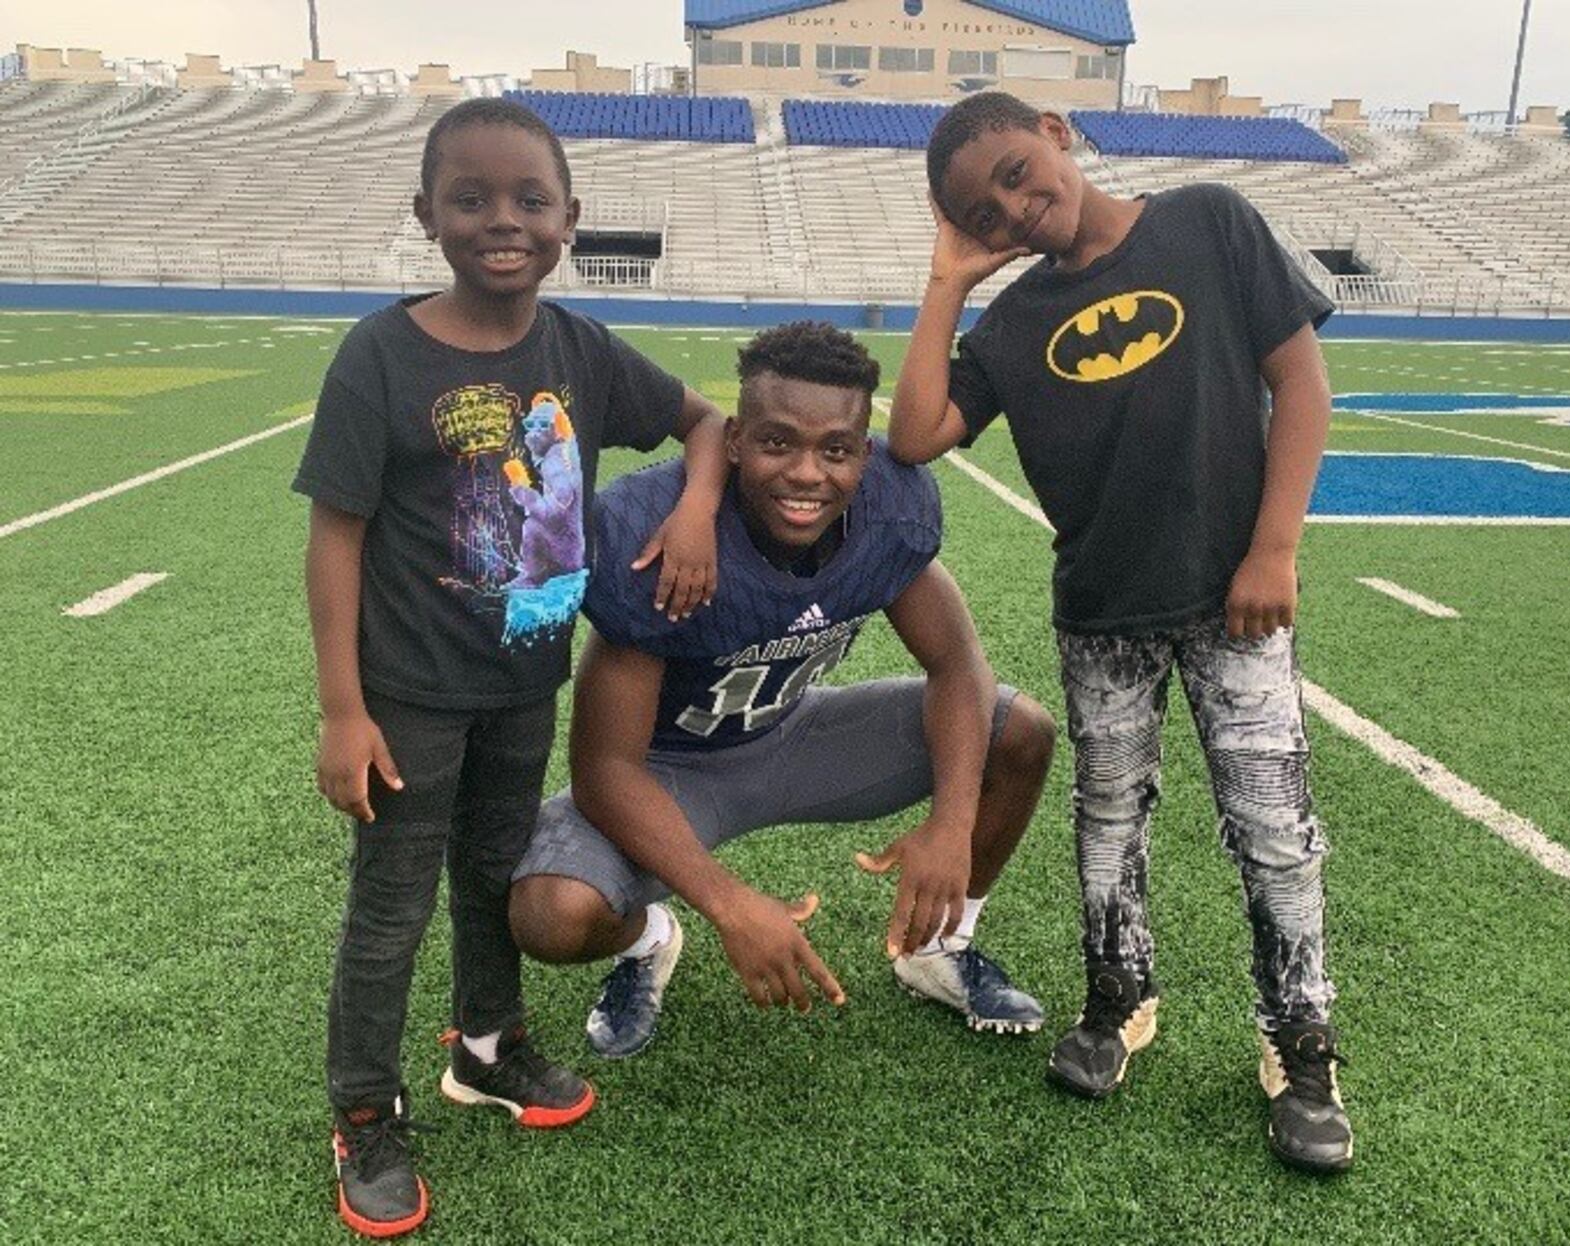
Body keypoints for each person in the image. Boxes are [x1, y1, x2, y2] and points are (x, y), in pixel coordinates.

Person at [889, 92, 1349, 1175]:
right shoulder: (1007, 321)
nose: (1011, 207)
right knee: (1106, 820)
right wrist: (951, 281)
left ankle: (1301, 1041)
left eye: (1013, 172)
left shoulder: (1206, 220)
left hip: (1234, 599)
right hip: (1102, 611)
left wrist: (1272, 549)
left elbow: (1300, 381)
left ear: (1054, 130)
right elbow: (913, 435)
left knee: (1272, 825)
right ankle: (1118, 995)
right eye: (980, 211)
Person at [293, 97, 728, 1239]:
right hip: (407, 696)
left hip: (527, 684)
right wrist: (344, 708)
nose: (503, 220)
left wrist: (695, 514)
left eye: (529, 200)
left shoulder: (577, 348)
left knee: (496, 872)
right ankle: (364, 1109)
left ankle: (487, 1048)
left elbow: (708, 423)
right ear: (425, 212)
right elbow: (335, 534)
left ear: (570, 218)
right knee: (390, 908)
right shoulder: (380, 355)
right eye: (472, 197)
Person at [507, 321, 1057, 1060]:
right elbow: (606, 769)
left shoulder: (891, 511)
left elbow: (957, 664)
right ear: (734, 440)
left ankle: (940, 946)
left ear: (865, 453)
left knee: (1018, 731)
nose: (807, 473)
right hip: (673, 771)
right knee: (552, 914)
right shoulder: (662, 531)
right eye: (778, 442)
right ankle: (648, 939)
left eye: (835, 450)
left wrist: (952, 824)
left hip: (795, 736)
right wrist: (728, 902)